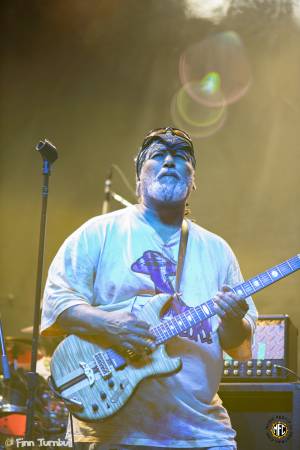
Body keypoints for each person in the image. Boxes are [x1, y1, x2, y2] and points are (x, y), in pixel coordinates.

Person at [41, 127, 258, 450]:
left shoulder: (217, 250)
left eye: (182, 157)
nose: (170, 160)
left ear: (193, 180)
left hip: (202, 433)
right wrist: (108, 324)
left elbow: (240, 349)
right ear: (138, 177)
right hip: (113, 433)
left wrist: (230, 320)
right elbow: (56, 307)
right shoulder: (99, 233)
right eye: (157, 155)